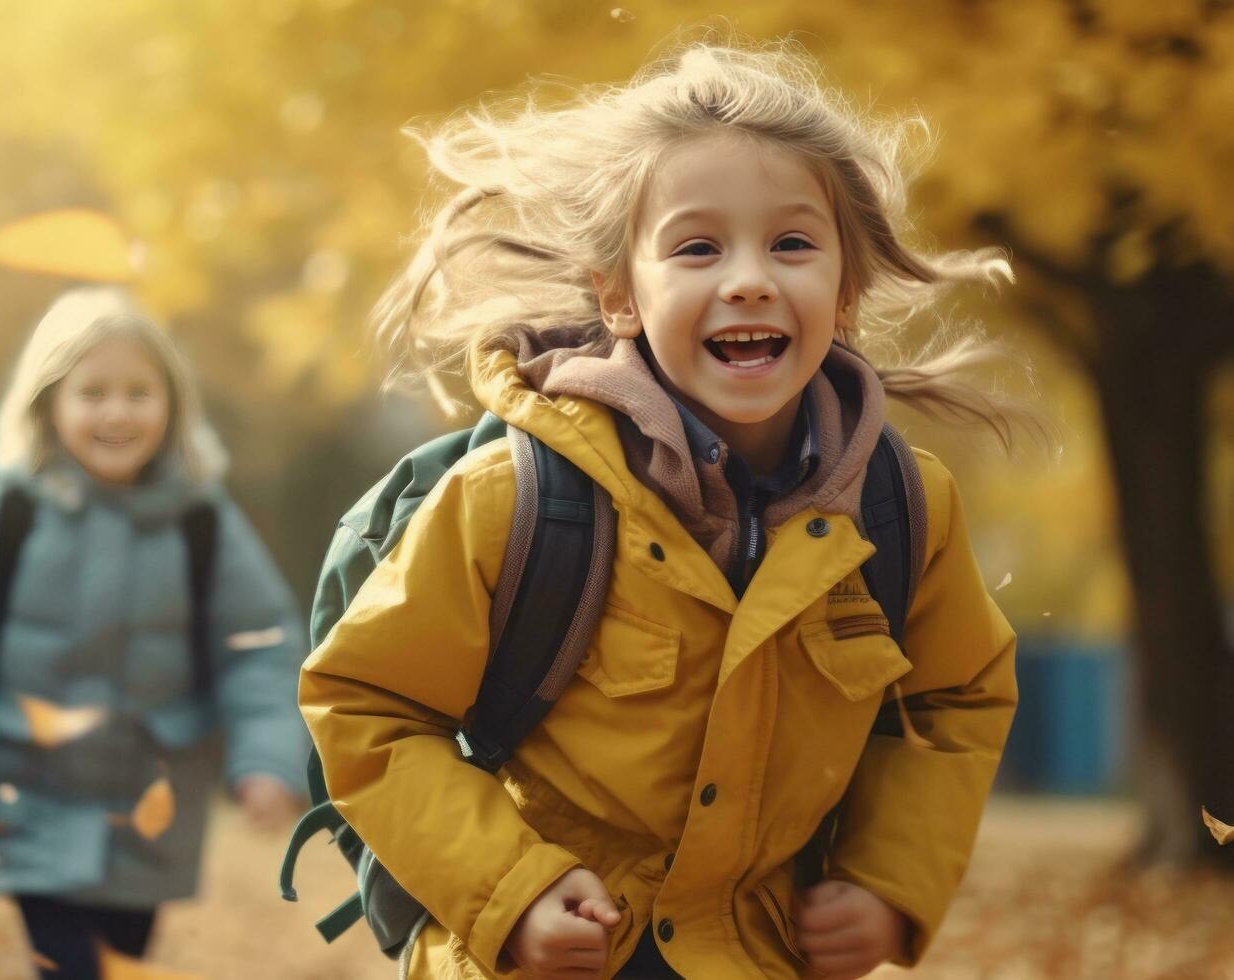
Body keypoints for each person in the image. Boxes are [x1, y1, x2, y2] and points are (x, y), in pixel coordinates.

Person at [301, 41, 1038, 979]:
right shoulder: (518, 499)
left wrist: (888, 881)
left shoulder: (899, 508)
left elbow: (956, 700)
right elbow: (365, 702)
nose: (747, 279)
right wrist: (509, 890)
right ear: (618, 293)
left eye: (793, 244)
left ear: (845, 288)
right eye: (696, 247)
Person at [0, 287, 308, 978]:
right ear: (49, 402)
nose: (116, 412)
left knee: (117, 965)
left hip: (149, 808)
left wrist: (266, 760)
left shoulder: (201, 522)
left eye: (138, 392)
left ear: (171, 407)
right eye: (93, 392)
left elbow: (259, 646)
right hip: (27, 794)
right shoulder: (1, 511)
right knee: (71, 968)